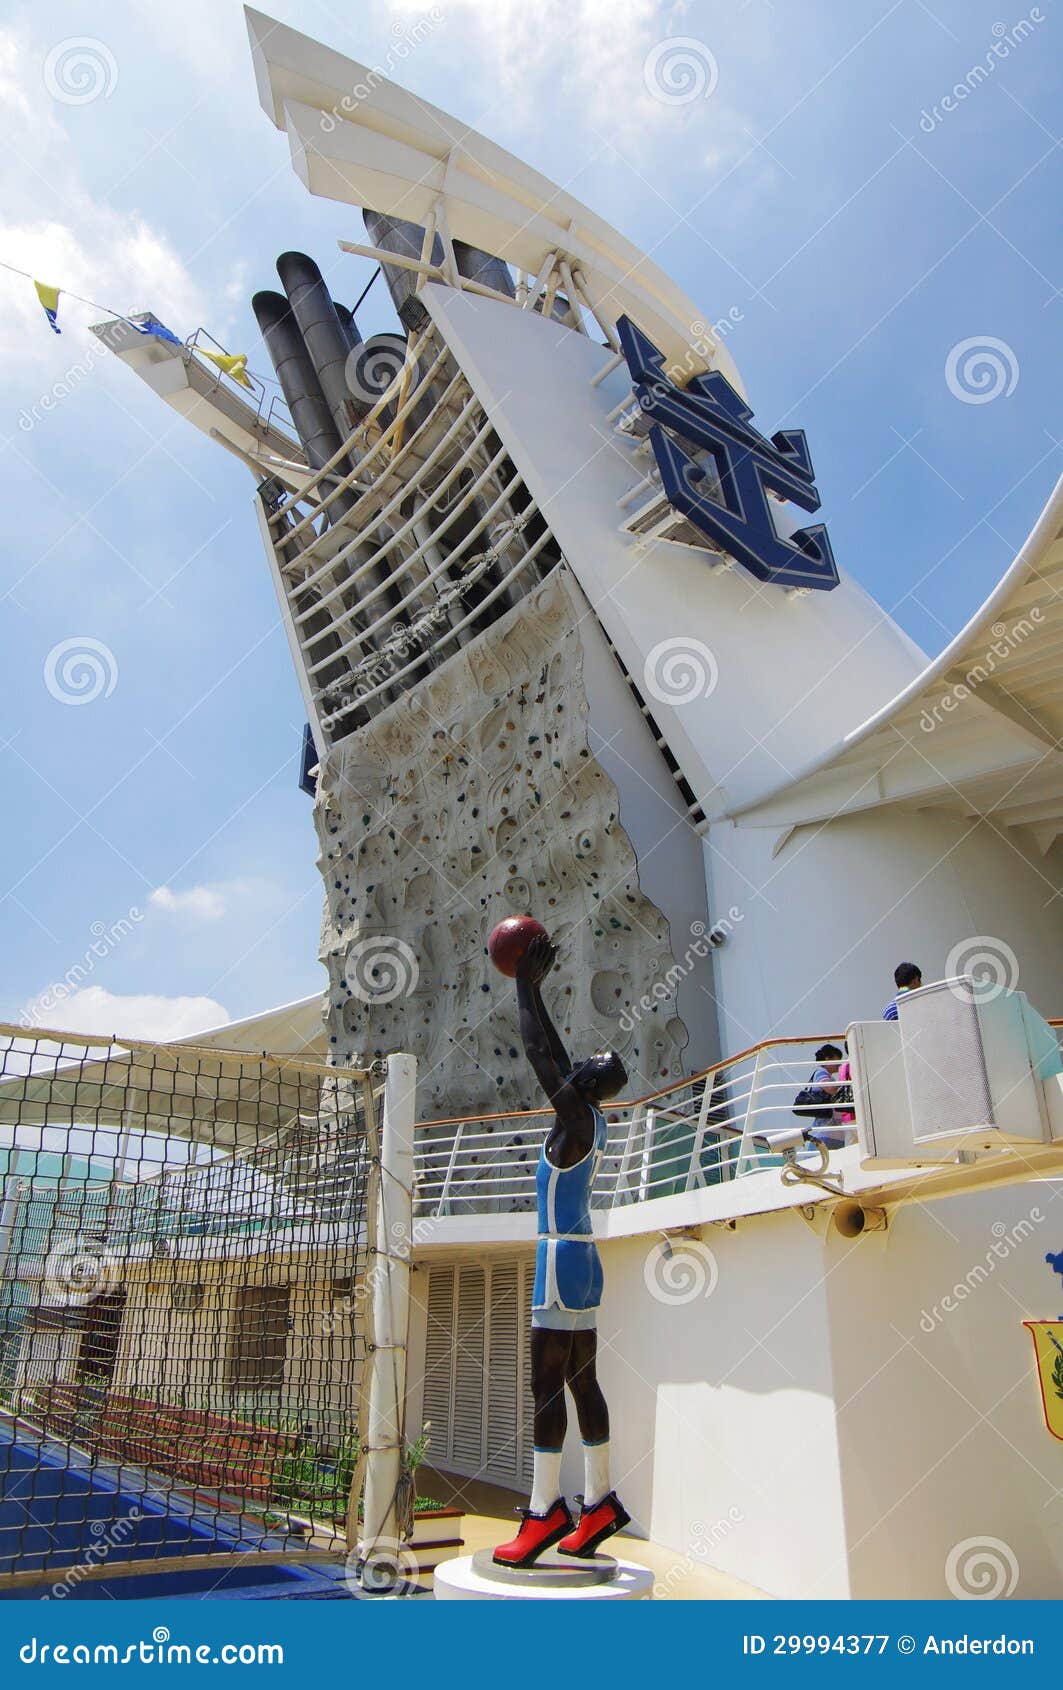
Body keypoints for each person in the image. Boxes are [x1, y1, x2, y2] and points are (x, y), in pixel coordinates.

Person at [493, 933, 631, 1569]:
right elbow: (556, 1051)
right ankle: (599, 1498)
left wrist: (522, 983)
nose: (575, 1066)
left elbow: (537, 1054)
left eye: (586, 1066)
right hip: (587, 1261)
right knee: (584, 1380)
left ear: (586, 1085)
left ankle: (543, 1510)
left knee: (545, 1386)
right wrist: (540, 993)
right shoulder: (590, 1118)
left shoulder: (572, 1115)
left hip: (558, 1260)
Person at [798, 1042, 848, 1149]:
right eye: (837, 1060)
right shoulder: (821, 1073)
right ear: (827, 1059)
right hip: (825, 1134)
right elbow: (831, 1089)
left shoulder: (827, 1076)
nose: (839, 1064)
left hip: (832, 1134)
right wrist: (846, 1083)